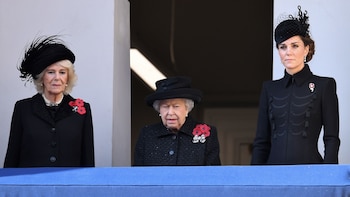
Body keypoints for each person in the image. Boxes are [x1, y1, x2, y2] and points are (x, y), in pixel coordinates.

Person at [251, 6, 340, 165]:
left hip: (311, 173)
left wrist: (328, 176)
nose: (288, 52)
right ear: (278, 50)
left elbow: (331, 138)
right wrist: (254, 182)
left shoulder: (324, 86)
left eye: (294, 45)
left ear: (306, 48)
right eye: (282, 47)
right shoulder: (269, 89)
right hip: (273, 175)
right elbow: (261, 142)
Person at [4, 35, 95, 167]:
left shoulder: (82, 110)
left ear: (68, 77)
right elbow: (12, 156)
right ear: (42, 78)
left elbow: (88, 160)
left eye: (62, 72)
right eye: (51, 72)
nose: (57, 78)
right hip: (31, 185)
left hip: (68, 185)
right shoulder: (23, 108)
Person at [134, 76, 221, 166]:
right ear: (159, 109)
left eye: (176, 106)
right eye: (165, 106)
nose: (170, 112)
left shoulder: (207, 134)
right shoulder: (147, 134)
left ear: (187, 109)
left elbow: (213, 174)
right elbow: (137, 173)